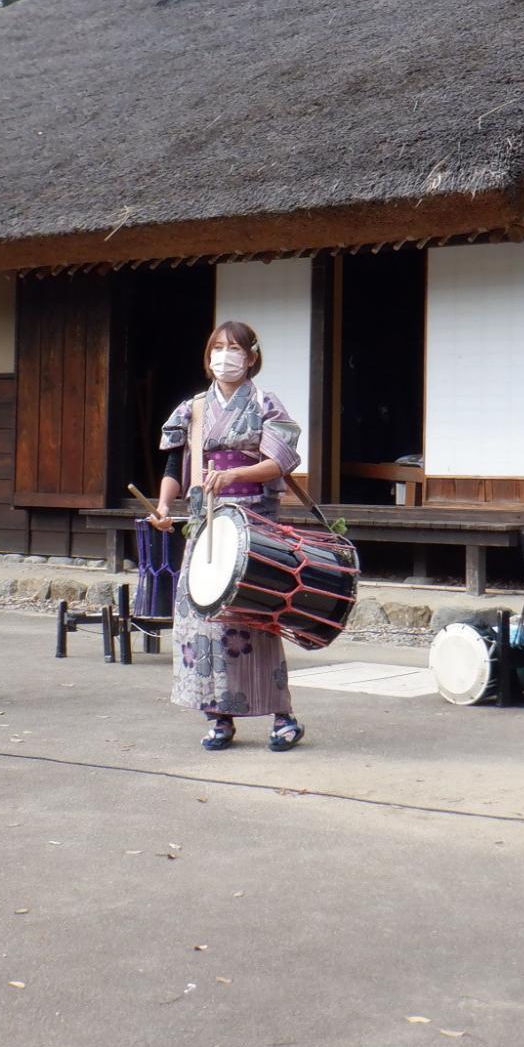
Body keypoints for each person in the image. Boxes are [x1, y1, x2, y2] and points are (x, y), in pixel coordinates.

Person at [148, 321, 307, 753]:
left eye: (233, 348)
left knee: (256, 615)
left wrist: (236, 472)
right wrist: (164, 509)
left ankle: (281, 715)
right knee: (205, 619)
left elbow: (280, 460)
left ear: (251, 357)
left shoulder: (264, 402)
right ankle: (218, 716)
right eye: (217, 347)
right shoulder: (192, 408)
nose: (224, 355)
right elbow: (172, 468)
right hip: (205, 522)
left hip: (254, 521)